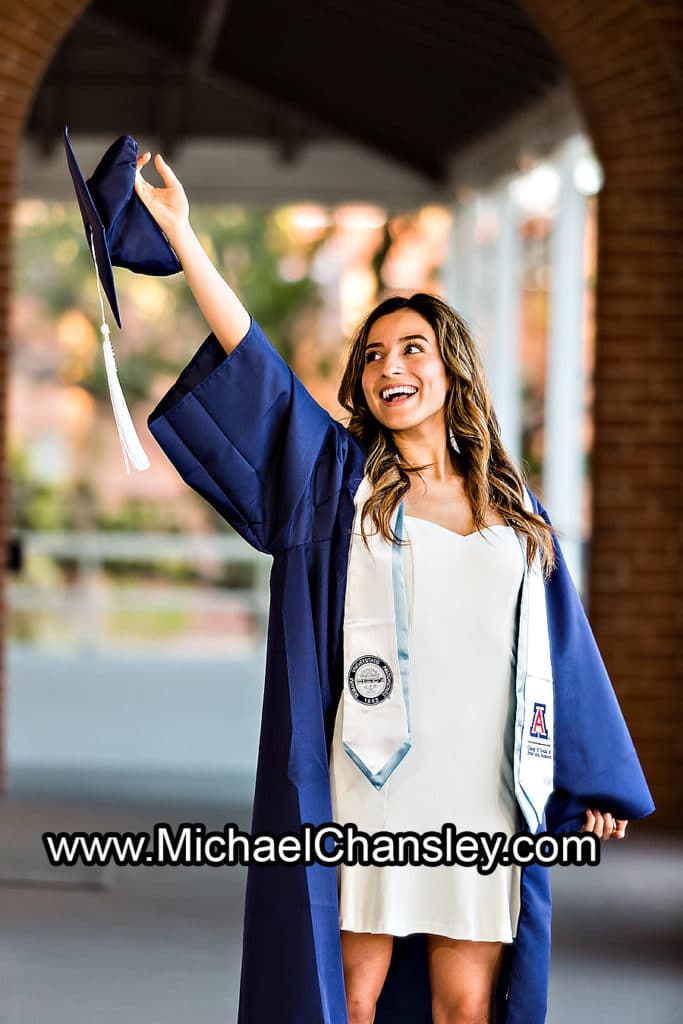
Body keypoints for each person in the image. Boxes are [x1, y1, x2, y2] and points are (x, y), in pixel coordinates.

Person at [135, 152, 654, 1024]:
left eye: (411, 348)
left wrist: (595, 777)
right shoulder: (342, 484)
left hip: (483, 791)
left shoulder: (515, 511)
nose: (389, 367)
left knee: (464, 1005)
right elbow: (251, 362)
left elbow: (560, 649)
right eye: (373, 355)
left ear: (450, 370)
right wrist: (184, 237)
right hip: (372, 782)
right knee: (354, 995)